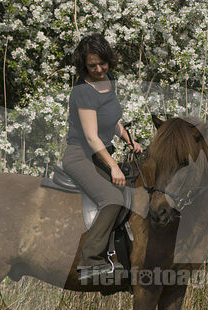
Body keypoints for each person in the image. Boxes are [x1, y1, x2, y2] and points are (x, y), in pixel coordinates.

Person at [61, 33, 142, 282]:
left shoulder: (109, 80)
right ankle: (91, 259)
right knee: (112, 199)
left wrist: (128, 138)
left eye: (101, 64)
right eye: (91, 66)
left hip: (100, 154)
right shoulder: (83, 92)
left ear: (109, 61)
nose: (98, 69)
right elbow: (92, 137)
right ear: (84, 66)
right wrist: (114, 168)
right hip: (81, 156)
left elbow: (111, 118)